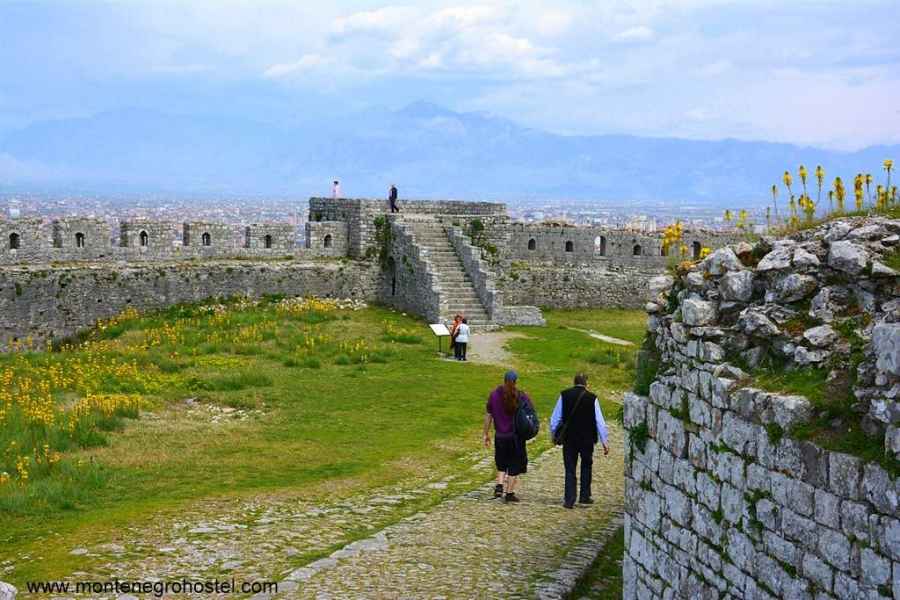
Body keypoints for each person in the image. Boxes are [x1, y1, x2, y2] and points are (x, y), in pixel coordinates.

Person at [550, 373, 610, 509]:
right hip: (587, 438)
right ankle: (584, 495)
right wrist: (605, 442)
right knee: (586, 465)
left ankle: (569, 499)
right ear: (586, 383)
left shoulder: (564, 395)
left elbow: (555, 419)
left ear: (574, 382)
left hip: (569, 439)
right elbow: (599, 422)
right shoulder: (592, 398)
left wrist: (553, 435)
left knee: (570, 467)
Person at [483, 370, 532, 503]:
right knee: (514, 464)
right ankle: (509, 493)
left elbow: (488, 415)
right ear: (516, 381)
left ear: (503, 380)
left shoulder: (494, 395)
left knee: (501, 462)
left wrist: (485, 433)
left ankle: (499, 485)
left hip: (500, 436)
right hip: (515, 437)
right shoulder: (520, 396)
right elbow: (530, 412)